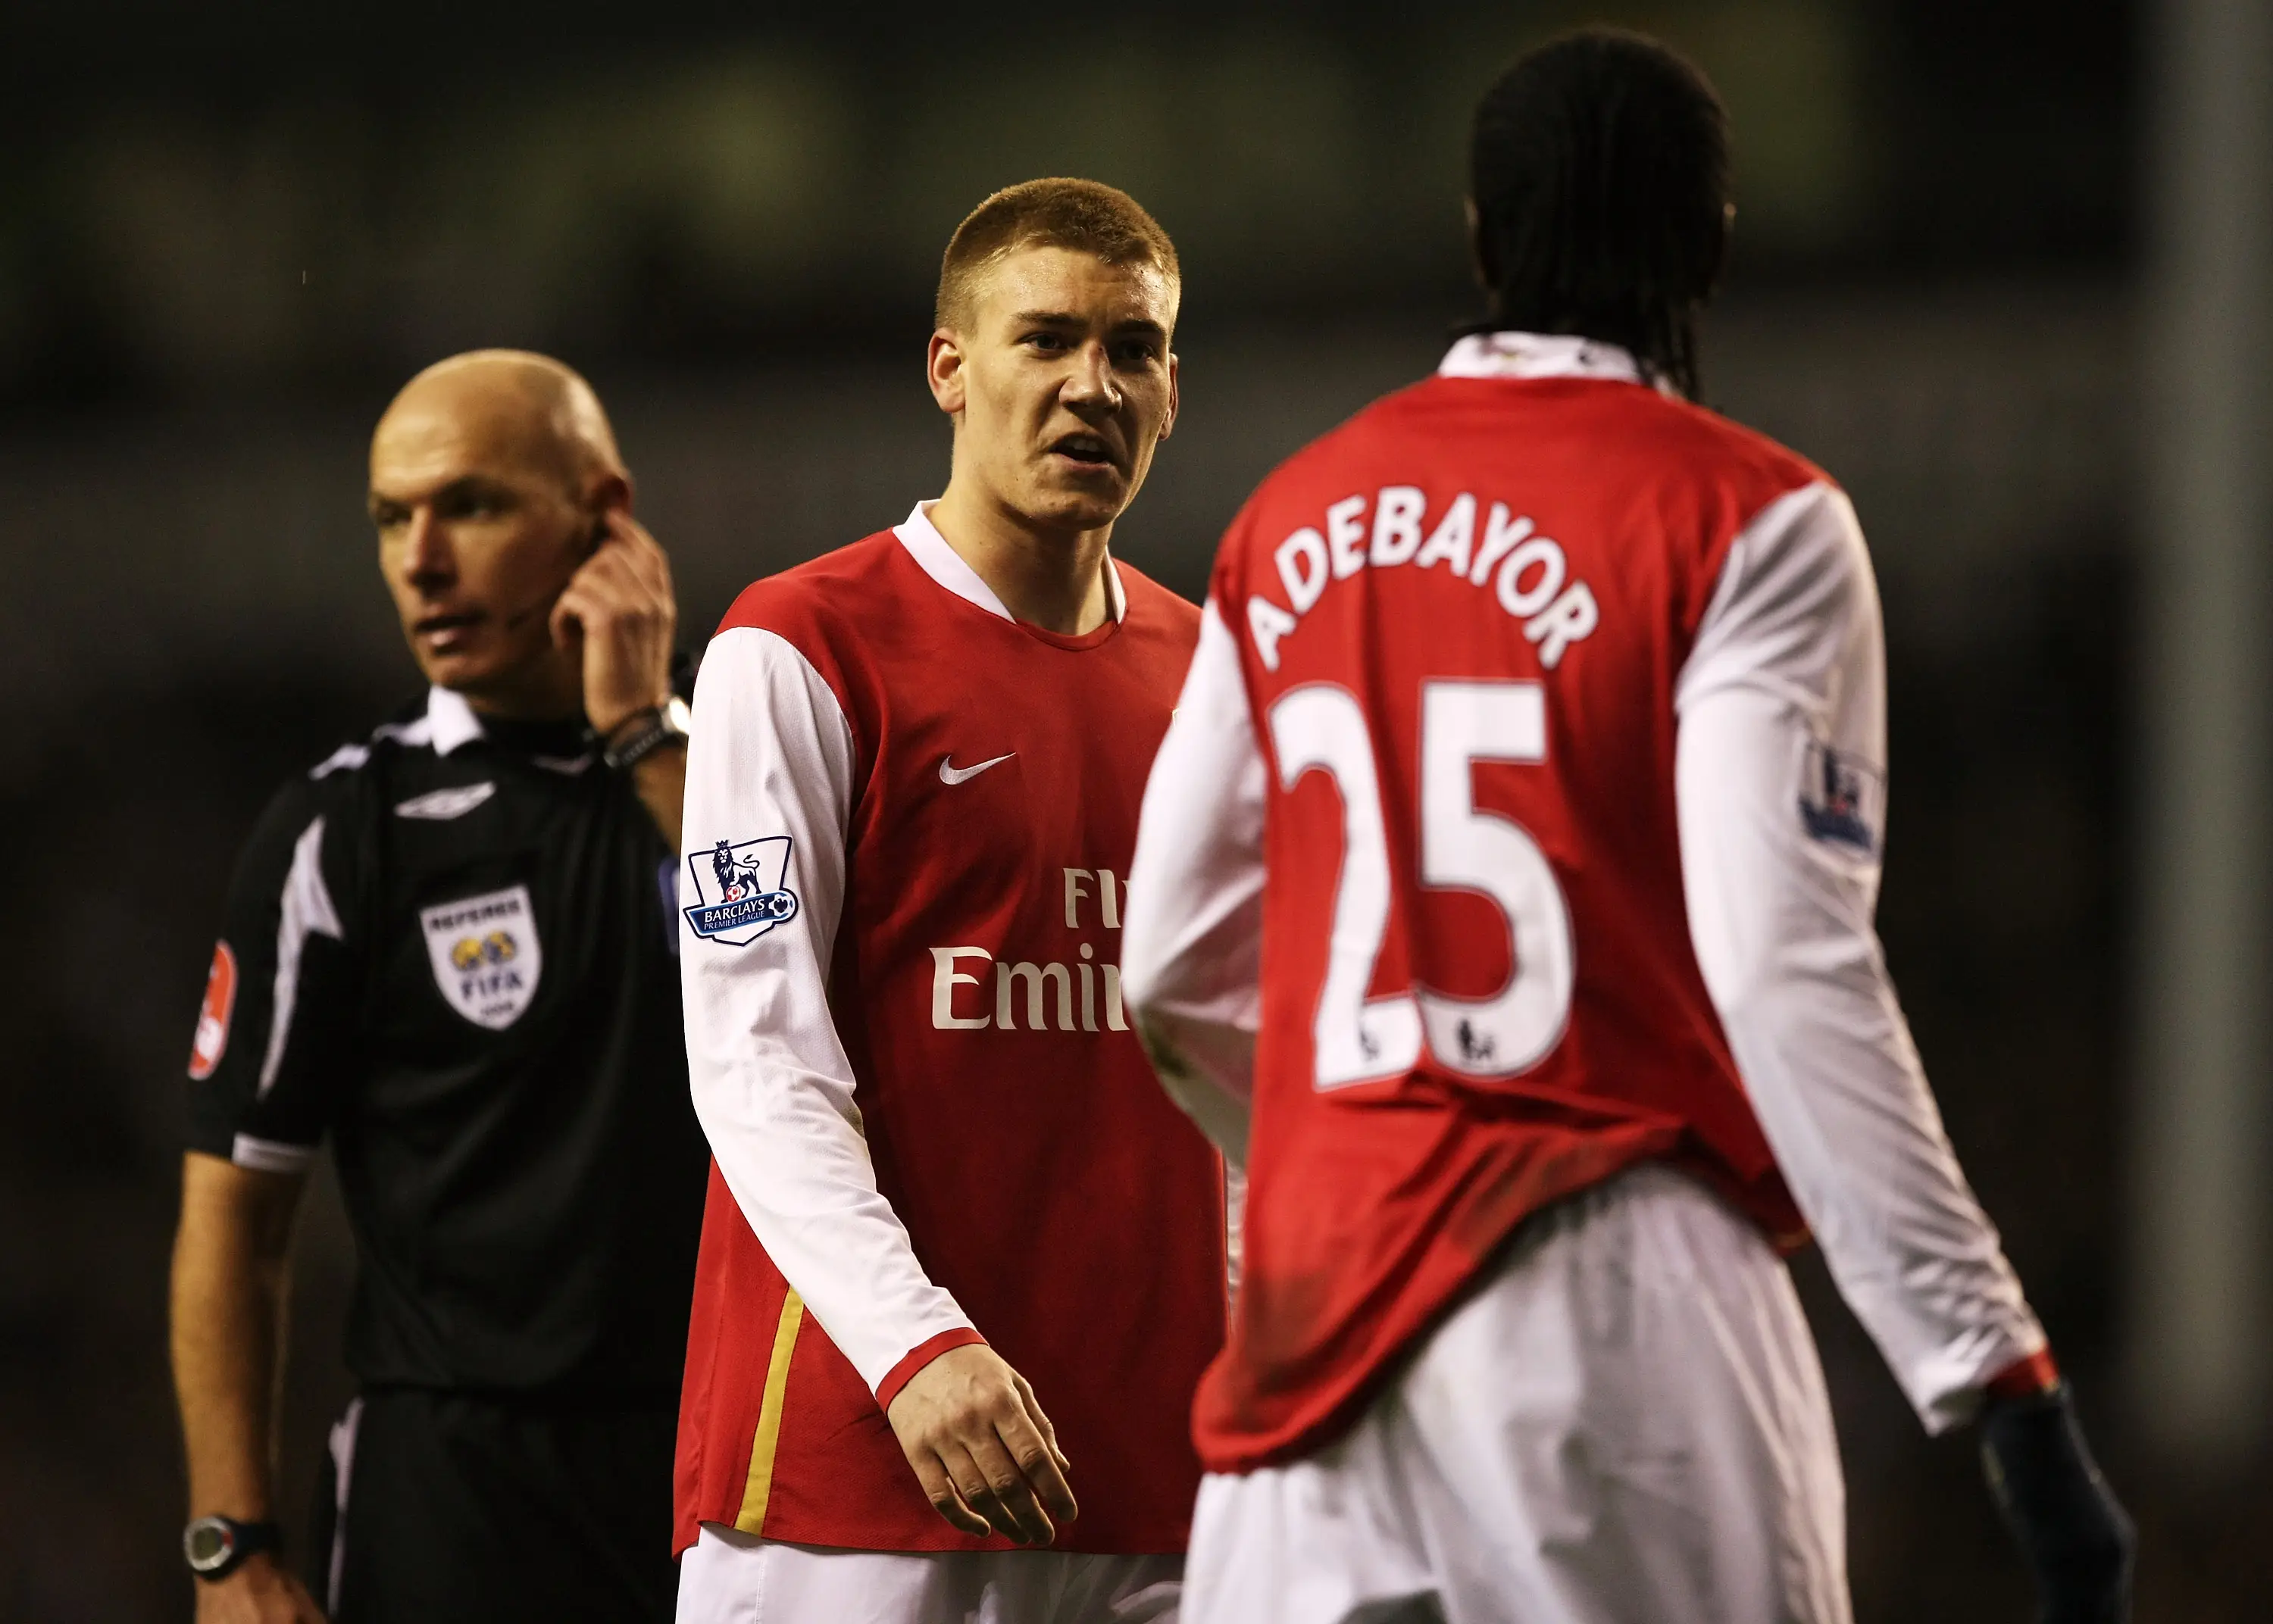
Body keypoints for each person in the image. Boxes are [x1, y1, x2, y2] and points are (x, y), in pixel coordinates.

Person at [1120, 30, 2134, 1624]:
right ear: (1712, 243)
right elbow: (1779, 959)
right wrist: (1994, 1370)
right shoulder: (1751, 519)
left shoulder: (1285, 517)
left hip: (1311, 1340)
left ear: (1480, 237)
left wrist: (1361, 1146)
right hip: (1614, 1298)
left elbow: (1169, 961)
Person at [671, 178, 1227, 1623]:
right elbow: (755, 1059)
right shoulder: (796, 646)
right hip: (859, 1478)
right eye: (1045, 340)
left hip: (1161, 1483)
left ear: (1172, 391)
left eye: (1133, 350)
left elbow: (1242, 1081)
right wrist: (916, 1346)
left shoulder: (1219, 681)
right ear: (950, 367)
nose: (1092, 386)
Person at [169, 351, 708, 1622]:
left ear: (604, 516)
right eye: (390, 518)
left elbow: (817, 972)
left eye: (470, 505)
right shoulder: (343, 831)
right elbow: (235, 1215)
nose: (420, 561)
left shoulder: (744, 775)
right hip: (453, 1498)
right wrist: (230, 1545)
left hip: (726, 1472)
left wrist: (646, 732)